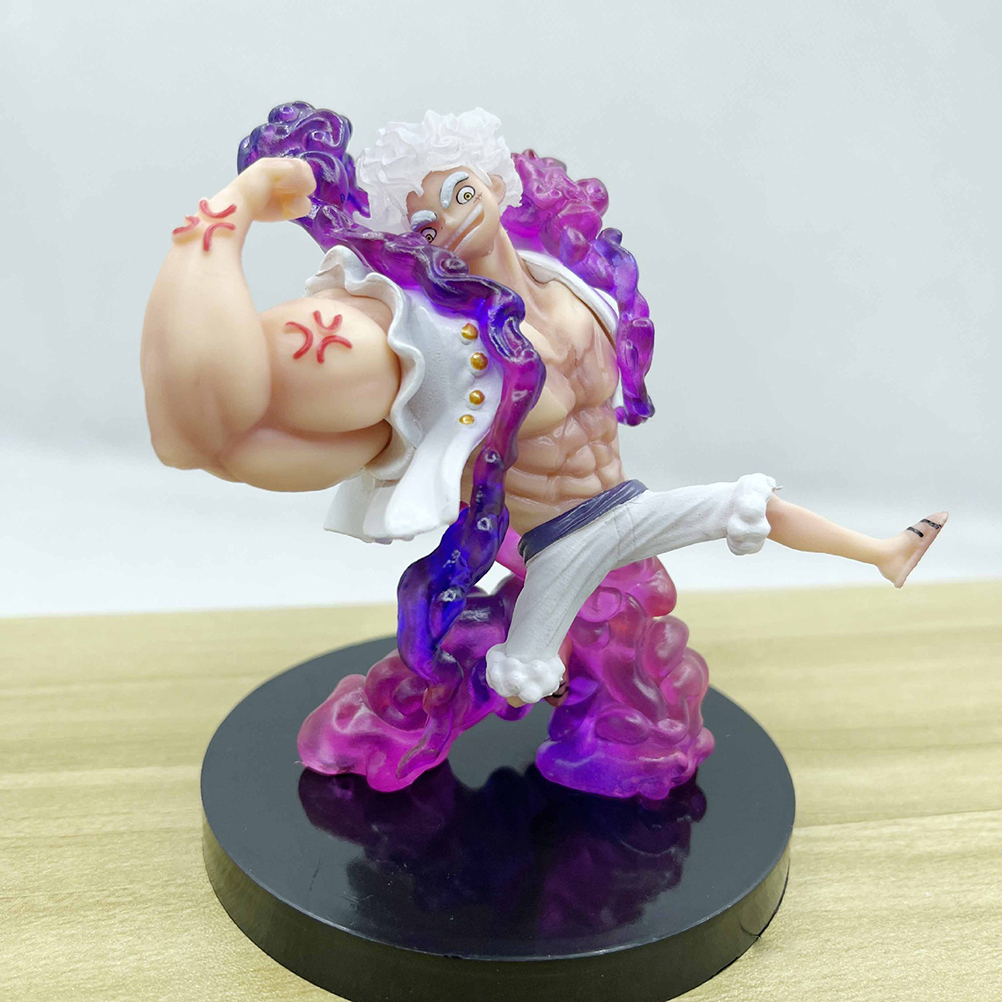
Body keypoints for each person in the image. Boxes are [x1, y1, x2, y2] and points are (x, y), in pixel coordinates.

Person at [141, 103, 945, 797]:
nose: (452, 218)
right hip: (554, 545)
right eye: (426, 222)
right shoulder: (434, 341)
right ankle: (444, 716)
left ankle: (883, 553)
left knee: (748, 504)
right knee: (514, 665)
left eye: (462, 191)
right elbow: (217, 428)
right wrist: (237, 207)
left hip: (626, 514)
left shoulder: (571, 278)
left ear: (496, 185)